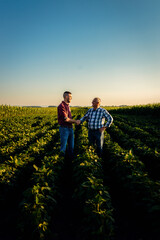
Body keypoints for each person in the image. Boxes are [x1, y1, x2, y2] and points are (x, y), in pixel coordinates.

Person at [57, 91, 78, 157]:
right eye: (70, 97)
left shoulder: (68, 106)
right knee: (63, 147)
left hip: (70, 128)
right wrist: (75, 121)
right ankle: (61, 162)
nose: (71, 98)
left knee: (71, 147)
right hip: (64, 129)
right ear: (66, 97)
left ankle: (70, 162)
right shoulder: (61, 106)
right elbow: (66, 119)